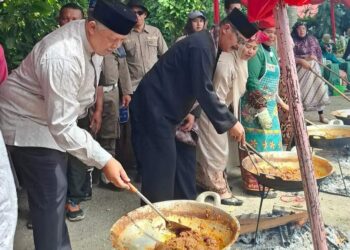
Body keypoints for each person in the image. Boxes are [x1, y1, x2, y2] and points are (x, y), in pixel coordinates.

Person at [0, 1, 137, 249]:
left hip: (50, 118)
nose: (117, 46)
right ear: (92, 26)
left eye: (121, 41)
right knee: (51, 191)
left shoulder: (95, 41)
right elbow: (61, 126)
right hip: (27, 122)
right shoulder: (62, 56)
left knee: (56, 190)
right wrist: (105, 160)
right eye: (114, 39)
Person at [130, 8, 258, 203]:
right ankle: (155, 220)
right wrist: (231, 122)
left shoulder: (212, 46)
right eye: (238, 41)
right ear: (225, 29)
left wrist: (193, 111)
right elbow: (204, 89)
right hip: (154, 108)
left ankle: (185, 208)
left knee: (185, 160)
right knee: (161, 169)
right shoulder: (201, 45)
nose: (237, 46)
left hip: (176, 111)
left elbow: (197, 84)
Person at [196, 37, 261, 206]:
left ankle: (208, 183)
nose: (250, 51)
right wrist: (230, 122)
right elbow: (215, 98)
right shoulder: (225, 63)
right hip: (212, 111)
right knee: (216, 152)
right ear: (238, 44)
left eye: (254, 48)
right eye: (247, 46)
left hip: (223, 110)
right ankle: (219, 191)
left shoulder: (241, 61)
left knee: (220, 151)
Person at [57, 2, 103, 222]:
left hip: (81, 113)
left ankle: (73, 199)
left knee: (77, 158)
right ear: (59, 21)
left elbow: (98, 83)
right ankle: (49, 208)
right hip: (54, 116)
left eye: (75, 19)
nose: (69, 23)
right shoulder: (53, 48)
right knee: (54, 161)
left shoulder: (97, 48)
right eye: (66, 18)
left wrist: (98, 110)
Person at [120, 0, 168, 179]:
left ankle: (156, 165)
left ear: (145, 14)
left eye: (139, 12)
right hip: (134, 89)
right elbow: (122, 66)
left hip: (156, 89)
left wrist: (165, 85)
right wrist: (126, 91)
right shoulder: (123, 35)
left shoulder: (155, 32)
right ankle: (141, 168)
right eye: (133, 13)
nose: (136, 16)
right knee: (138, 130)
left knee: (156, 127)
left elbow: (166, 57)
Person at [240, 18, 288, 194]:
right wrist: (261, 109)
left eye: (275, 32)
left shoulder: (272, 52)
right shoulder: (256, 51)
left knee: (273, 144)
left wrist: (282, 103)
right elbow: (252, 82)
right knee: (257, 146)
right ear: (260, 32)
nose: (272, 36)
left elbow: (273, 84)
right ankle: (253, 184)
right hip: (254, 108)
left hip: (270, 107)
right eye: (268, 32)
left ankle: (269, 181)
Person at [98, 48, 133, 186]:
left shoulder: (115, 44)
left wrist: (126, 92)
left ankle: (107, 175)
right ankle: (87, 176)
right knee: (90, 131)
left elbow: (123, 69)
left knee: (110, 132)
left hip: (112, 92)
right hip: (90, 93)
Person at [291, 22, 330, 123]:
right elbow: (289, 57)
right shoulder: (292, 41)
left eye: (303, 28)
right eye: (299, 29)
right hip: (300, 69)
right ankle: (300, 118)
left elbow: (318, 52)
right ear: (296, 30)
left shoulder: (312, 39)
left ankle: (321, 116)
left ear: (306, 30)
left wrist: (318, 61)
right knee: (301, 93)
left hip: (313, 69)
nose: (301, 31)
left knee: (318, 90)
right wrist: (304, 59)